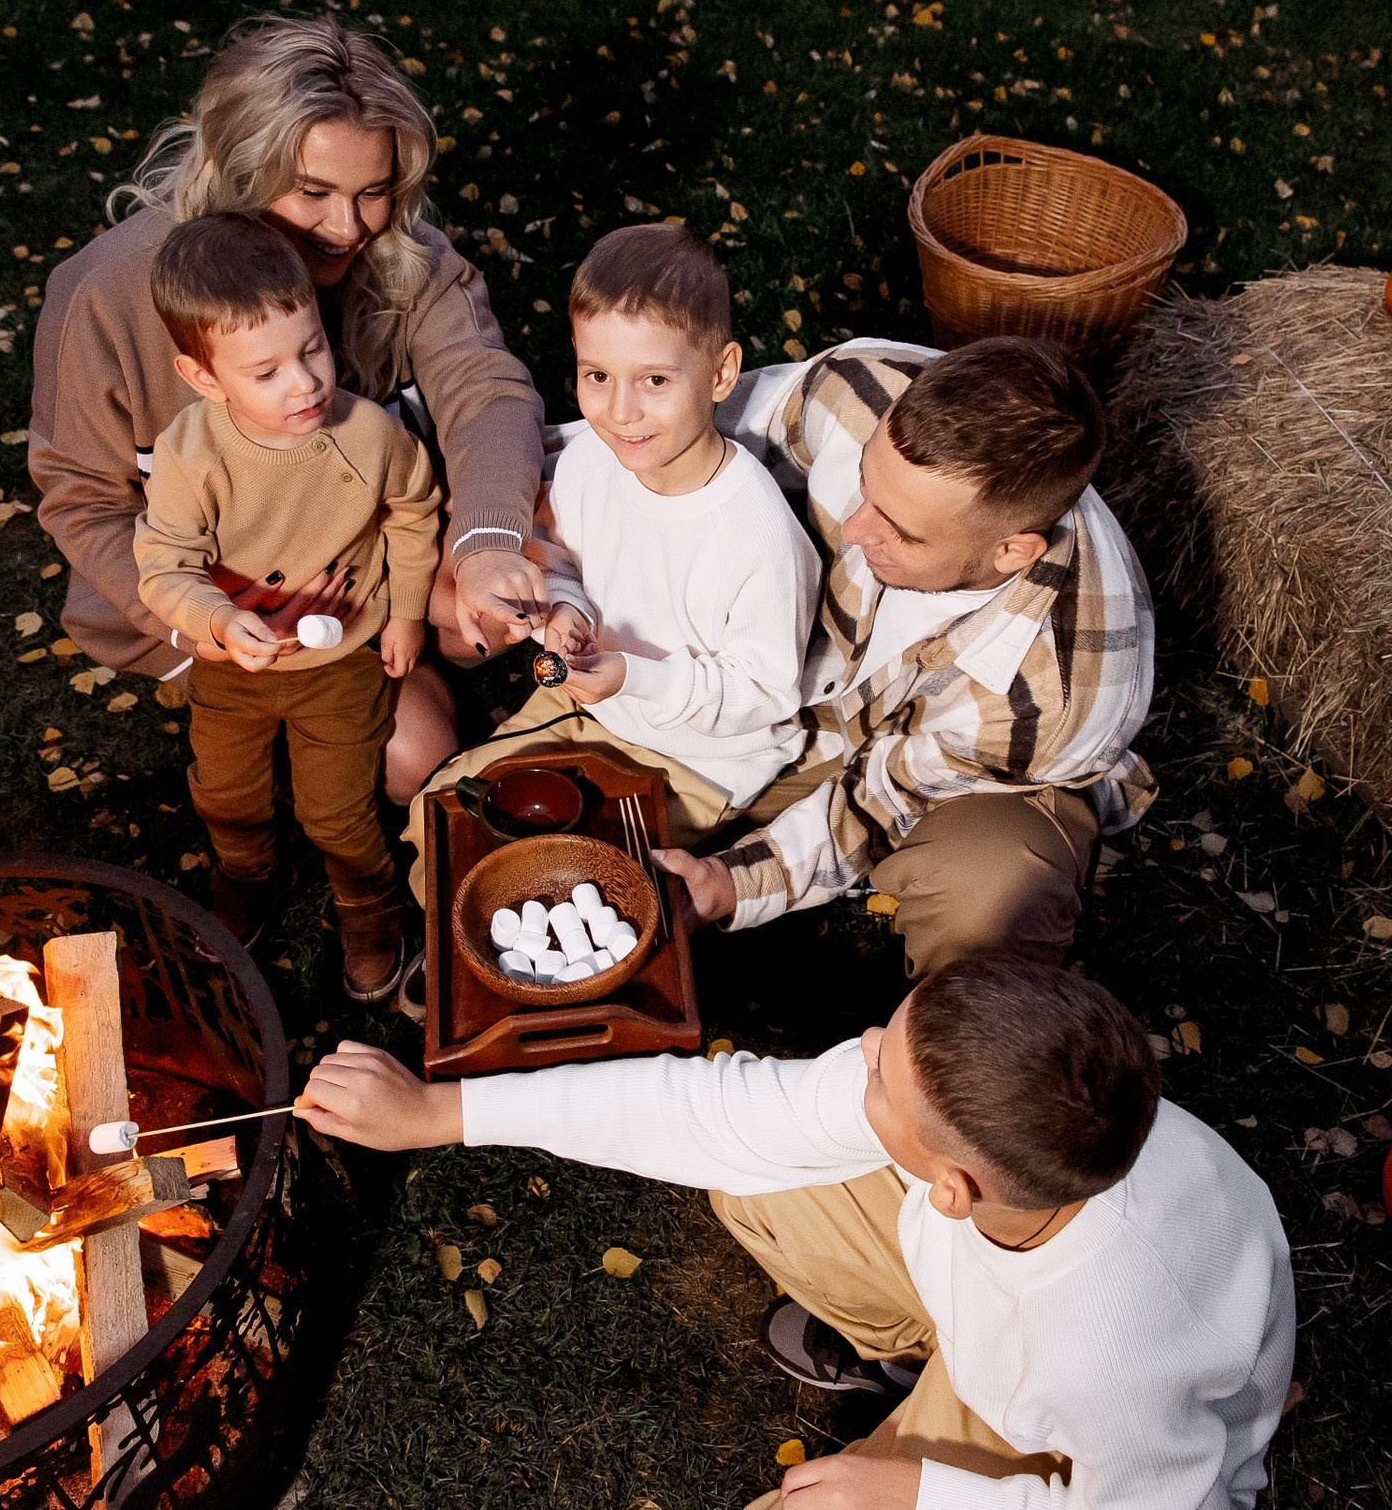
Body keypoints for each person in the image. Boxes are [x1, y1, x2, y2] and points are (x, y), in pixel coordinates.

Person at [295, 953, 1297, 1510]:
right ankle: (914, 1362)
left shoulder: (1110, 1353)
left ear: (949, 1187)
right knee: (753, 1176)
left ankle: (948, 1413)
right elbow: (708, 1114)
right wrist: (444, 1115)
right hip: (1001, 1321)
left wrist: (916, 1494)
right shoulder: (1040, 1112)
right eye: (887, 1037)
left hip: (1079, 1444)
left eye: (878, 1073)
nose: (858, 1052)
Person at [28, 14, 549, 836]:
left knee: (495, 613)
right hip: (210, 599)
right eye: (312, 193)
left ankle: (427, 651)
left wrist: (487, 541)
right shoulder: (104, 296)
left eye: (373, 191)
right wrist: (203, 617)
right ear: (239, 170)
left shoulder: (409, 259)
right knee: (403, 756)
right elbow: (82, 497)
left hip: (368, 564)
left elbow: (486, 392)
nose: (348, 228)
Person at [650, 338, 1156, 978]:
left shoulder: (1055, 701)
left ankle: (946, 1041)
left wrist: (730, 883)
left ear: (1013, 552)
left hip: (973, 773)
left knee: (995, 894)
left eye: (902, 531)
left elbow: (879, 802)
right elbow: (673, 436)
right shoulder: (857, 390)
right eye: (864, 479)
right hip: (813, 682)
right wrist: (516, 515)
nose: (857, 530)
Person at [403, 224, 821, 888]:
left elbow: (763, 694)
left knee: (571, 878)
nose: (621, 412)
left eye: (654, 379)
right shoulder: (592, 463)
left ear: (721, 373)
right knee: (445, 817)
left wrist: (633, 675)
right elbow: (565, 555)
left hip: (700, 756)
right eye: (597, 375)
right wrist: (564, 608)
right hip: (587, 703)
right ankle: (466, 961)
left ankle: (550, 978)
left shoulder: (756, 533)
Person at [132, 215, 440, 998]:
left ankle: (369, 903)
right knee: (224, 792)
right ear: (203, 377)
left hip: (338, 662)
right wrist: (214, 618)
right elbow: (164, 564)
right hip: (234, 664)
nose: (303, 382)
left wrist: (406, 610)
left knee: (336, 809)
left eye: (311, 349)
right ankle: (245, 873)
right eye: (265, 372)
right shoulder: (187, 455)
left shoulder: (366, 436)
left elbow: (413, 509)